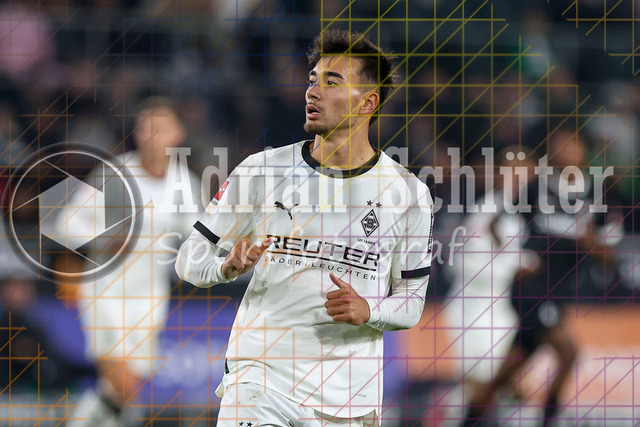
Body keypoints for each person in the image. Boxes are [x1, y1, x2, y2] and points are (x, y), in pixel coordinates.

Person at [175, 29, 434, 426]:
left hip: (349, 397)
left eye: (332, 82)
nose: (313, 91)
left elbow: (412, 298)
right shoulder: (262, 171)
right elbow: (189, 256)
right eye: (312, 80)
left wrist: (370, 309)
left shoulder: (408, 194)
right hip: (261, 379)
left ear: (368, 102)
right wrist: (223, 267)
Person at [464, 129, 620, 426]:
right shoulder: (537, 188)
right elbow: (496, 224)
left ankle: (469, 418)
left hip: (559, 292)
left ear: (584, 151)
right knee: (568, 353)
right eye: (558, 145)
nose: (564, 150)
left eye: (571, 144)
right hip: (530, 289)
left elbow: (611, 255)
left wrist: (592, 244)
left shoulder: (597, 195)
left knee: (509, 370)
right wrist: (517, 258)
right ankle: (549, 419)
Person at [63, 97, 199, 426]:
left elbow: (199, 236)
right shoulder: (115, 174)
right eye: (145, 128)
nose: (152, 135)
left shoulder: (185, 184)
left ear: (178, 134)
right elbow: (67, 224)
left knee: (123, 390)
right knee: (122, 383)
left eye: (160, 128)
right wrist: (104, 240)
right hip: (106, 289)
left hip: (150, 294)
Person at [444, 147, 537, 420]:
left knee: (503, 386)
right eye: (515, 173)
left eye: (527, 174)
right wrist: (518, 265)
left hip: (504, 308)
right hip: (475, 307)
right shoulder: (487, 211)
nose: (521, 180)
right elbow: (465, 263)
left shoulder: (525, 213)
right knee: (480, 385)